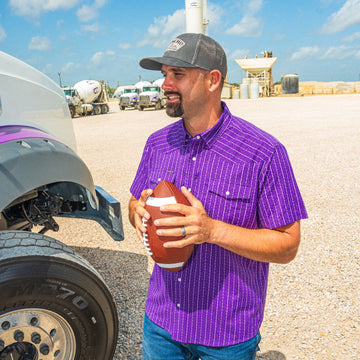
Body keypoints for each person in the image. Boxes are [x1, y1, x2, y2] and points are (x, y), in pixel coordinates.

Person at [129, 33, 307, 360]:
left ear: (213, 80)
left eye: (177, 75)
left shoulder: (264, 153)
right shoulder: (156, 144)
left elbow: (288, 245)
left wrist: (211, 231)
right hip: (160, 324)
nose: (165, 84)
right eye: (164, 74)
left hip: (226, 333)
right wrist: (138, 211)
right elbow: (131, 204)